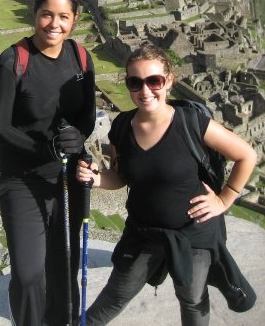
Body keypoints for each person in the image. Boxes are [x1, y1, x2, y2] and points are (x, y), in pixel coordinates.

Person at [77, 43, 257, 325]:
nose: (145, 90)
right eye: (135, 82)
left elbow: (246, 155)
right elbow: (120, 175)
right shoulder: (121, 126)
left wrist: (225, 199)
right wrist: (97, 179)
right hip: (144, 231)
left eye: (154, 81)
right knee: (116, 294)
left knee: (192, 299)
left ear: (169, 81)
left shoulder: (191, 122)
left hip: (193, 232)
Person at [0, 0, 96, 326]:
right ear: (34, 14)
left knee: (64, 269)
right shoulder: (12, 62)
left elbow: (87, 117)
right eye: (47, 14)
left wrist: (77, 137)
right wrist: (41, 148)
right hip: (22, 180)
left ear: (75, 20)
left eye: (63, 16)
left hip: (67, 179)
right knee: (29, 274)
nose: (54, 24)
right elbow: (0, 128)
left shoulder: (81, 58)